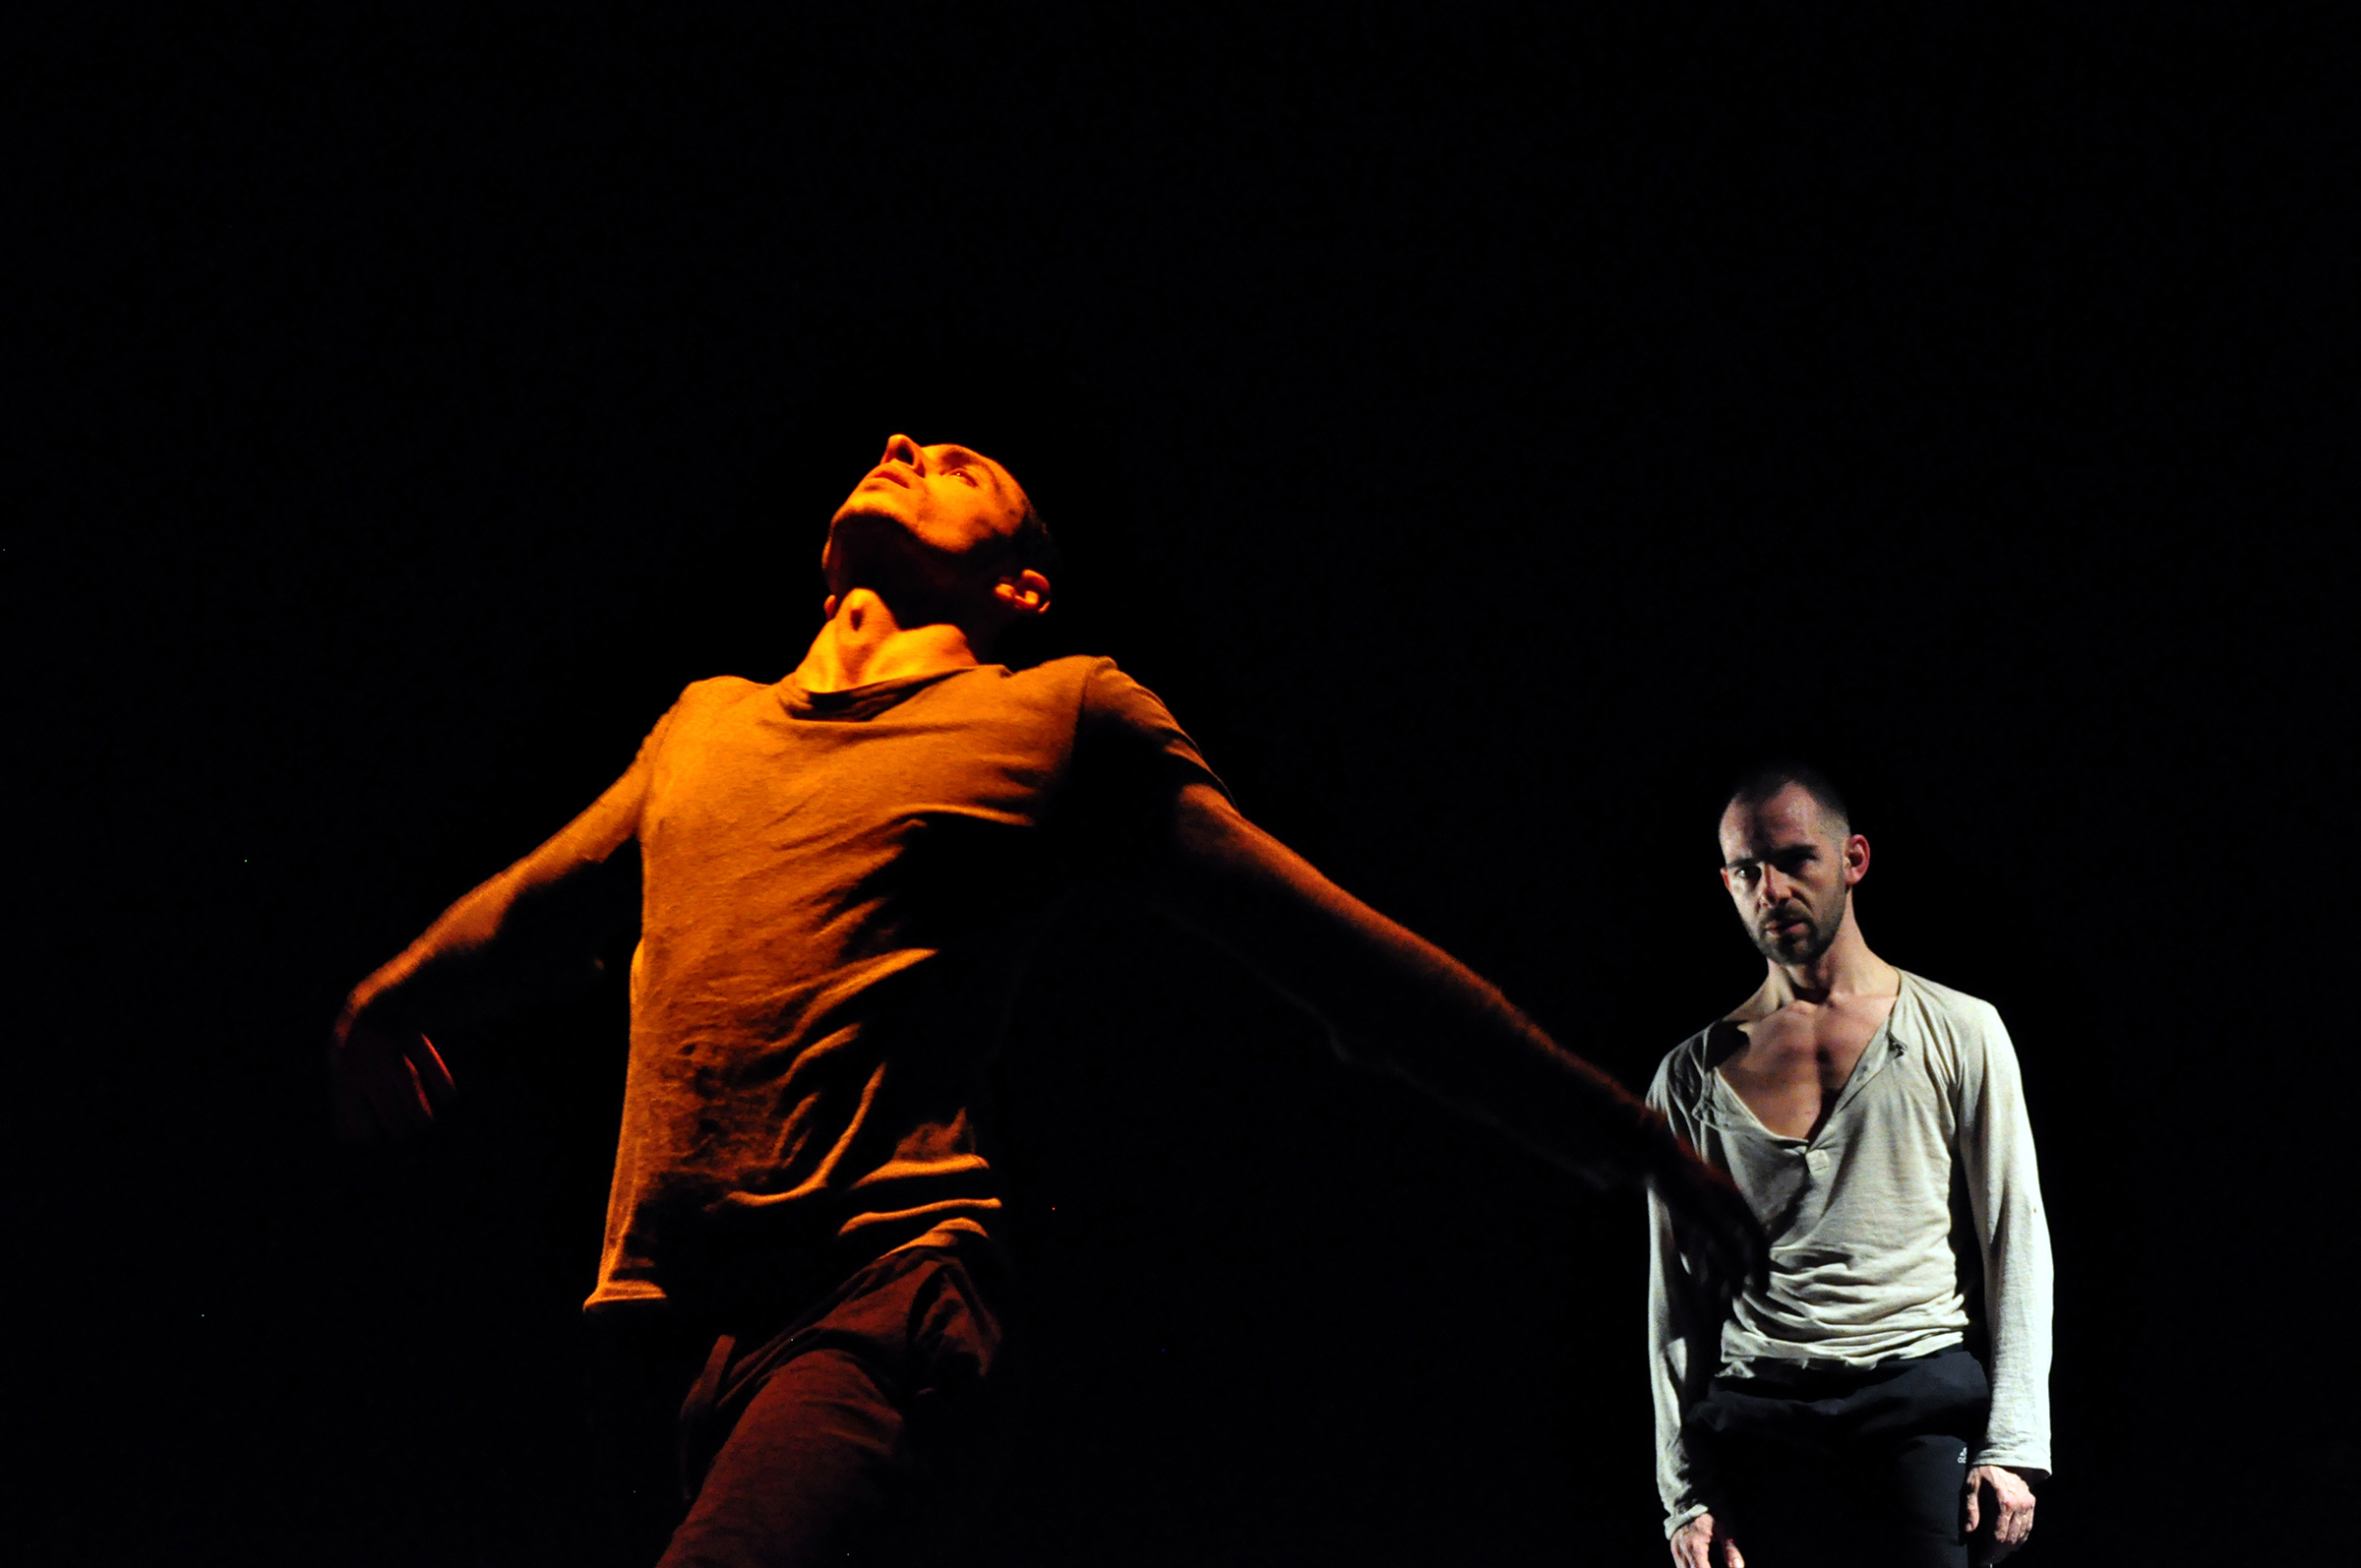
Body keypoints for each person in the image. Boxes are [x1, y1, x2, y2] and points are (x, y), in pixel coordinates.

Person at [332, 432, 1766, 1566]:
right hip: (651, 1339)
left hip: (878, 1303)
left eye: (963, 466)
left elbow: (1340, 961)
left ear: (1020, 588)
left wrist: (1629, 1140)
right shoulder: (703, 724)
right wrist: (393, 997)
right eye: (904, 447)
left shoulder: (1056, 715)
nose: (905, 443)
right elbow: (539, 904)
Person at [1644, 763, 2053, 1568]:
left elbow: (2016, 1240)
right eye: (1746, 871)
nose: (1771, 890)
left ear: (1853, 859)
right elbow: (1675, 1300)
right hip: (1763, 1418)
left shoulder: (1959, 1030)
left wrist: (2014, 1442)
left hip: (1916, 1404)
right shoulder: (1690, 1078)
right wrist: (1685, 1495)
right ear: (1726, 883)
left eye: (1795, 859)